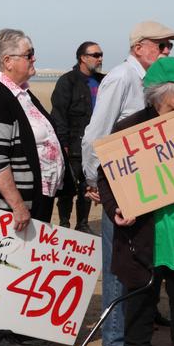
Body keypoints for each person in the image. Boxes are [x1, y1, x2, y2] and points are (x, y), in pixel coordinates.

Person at [98, 57, 174, 346]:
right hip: (143, 242)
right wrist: (115, 210)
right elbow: (106, 178)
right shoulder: (129, 128)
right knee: (138, 326)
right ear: (161, 92)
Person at [80, 20, 174, 346]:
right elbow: (97, 134)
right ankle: (116, 341)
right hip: (119, 187)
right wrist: (93, 182)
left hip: (148, 188)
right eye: (161, 45)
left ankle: (136, 338)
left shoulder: (153, 81)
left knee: (141, 265)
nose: (166, 52)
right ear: (139, 47)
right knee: (118, 268)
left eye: (169, 47)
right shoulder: (122, 77)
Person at [0, 28, 67, 346]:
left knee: (23, 266)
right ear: (8, 61)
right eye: (29, 54)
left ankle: (15, 329)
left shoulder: (19, 91)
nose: (34, 59)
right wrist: (17, 205)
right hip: (6, 204)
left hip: (35, 196)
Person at [51, 41, 105, 233]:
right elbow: (58, 114)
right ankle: (64, 224)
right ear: (83, 57)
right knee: (67, 188)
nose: (100, 58)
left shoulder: (103, 81)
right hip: (72, 144)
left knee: (89, 186)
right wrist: (63, 143)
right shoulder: (68, 81)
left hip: (96, 144)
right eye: (95, 55)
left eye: (101, 54)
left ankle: (82, 224)